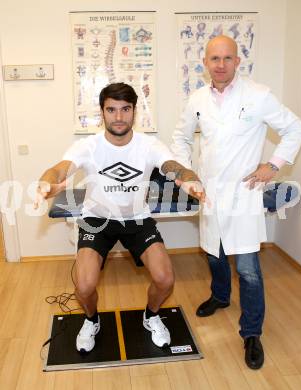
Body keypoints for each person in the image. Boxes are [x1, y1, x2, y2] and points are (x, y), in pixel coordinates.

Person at [35, 82, 204, 353]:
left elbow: (173, 167)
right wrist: (46, 184)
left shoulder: (149, 145)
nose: (118, 116)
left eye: (125, 109)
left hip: (137, 219)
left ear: (134, 111)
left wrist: (188, 181)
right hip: (97, 220)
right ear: (102, 112)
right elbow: (59, 169)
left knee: (165, 279)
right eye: (111, 109)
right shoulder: (88, 146)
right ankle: (91, 320)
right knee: (85, 284)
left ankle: (151, 316)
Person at [171, 35, 301, 369]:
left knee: (248, 269)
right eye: (214, 58)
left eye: (227, 58)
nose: (220, 65)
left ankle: (251, 332)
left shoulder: (258, 96)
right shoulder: (197, 98)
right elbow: (180, 138)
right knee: (214, 253)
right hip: (210, 192)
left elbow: (294, 128)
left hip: (244, 194)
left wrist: (273, 165)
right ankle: (219, 295)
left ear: (237, 61)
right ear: (205, 62)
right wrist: (186, 174)